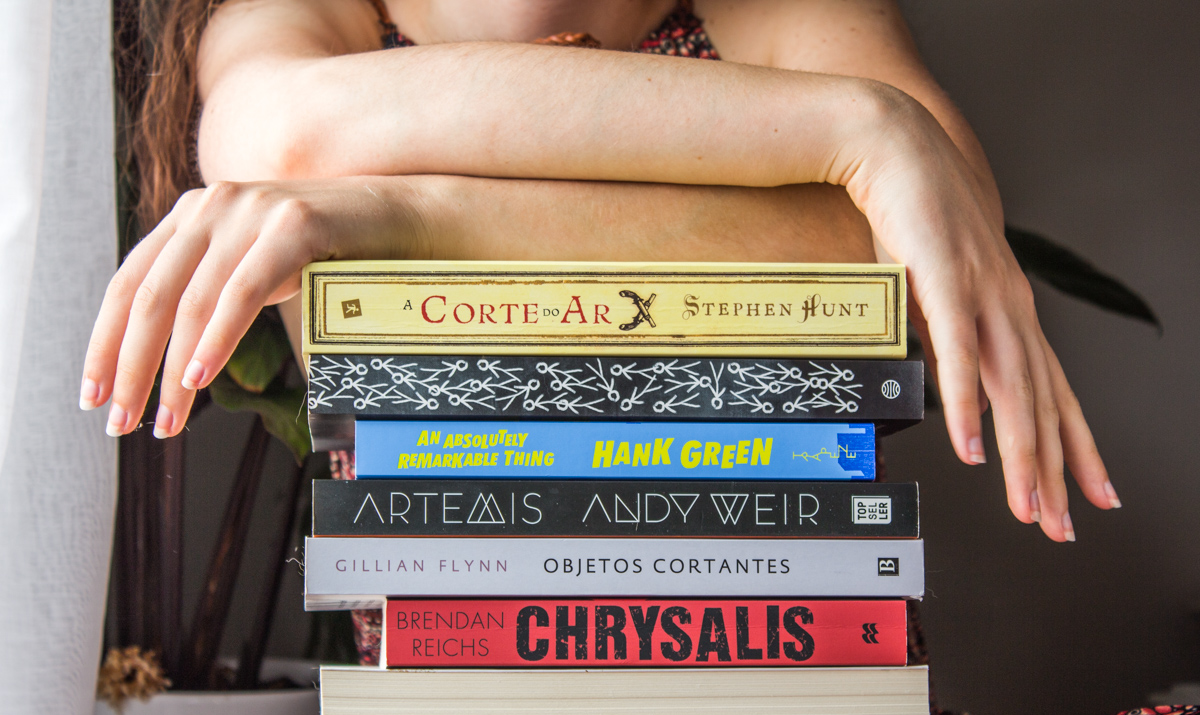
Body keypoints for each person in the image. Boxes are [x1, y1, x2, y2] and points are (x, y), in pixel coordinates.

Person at [81, 0, 1120, 545]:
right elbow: (289, 144)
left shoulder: (770, 4)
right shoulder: (301, 18)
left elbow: (925, 237)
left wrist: (403, 211)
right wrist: (854, 127)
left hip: (795, 686)